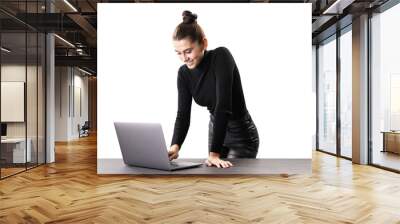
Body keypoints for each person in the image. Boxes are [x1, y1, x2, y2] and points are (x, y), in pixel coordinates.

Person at [168, 10, 259, 169]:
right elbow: (183, 115)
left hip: (241, 135)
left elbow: (223, 106)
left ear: (204, 43)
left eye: (188, 51)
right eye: (178, 53)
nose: (184, 58)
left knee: (231, 182)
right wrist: (175, 146)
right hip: (215, 128)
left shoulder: (221, 56)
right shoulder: (183, 74)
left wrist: (214, 154)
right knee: (215, 180)